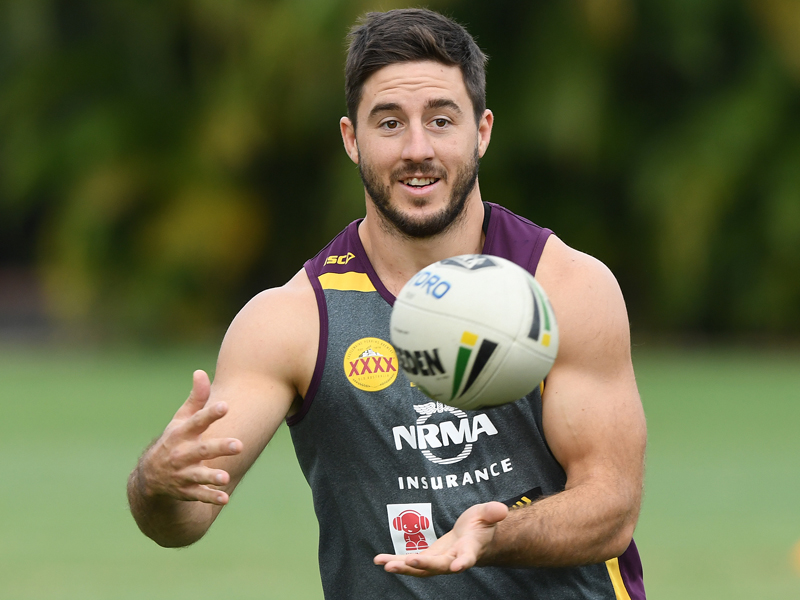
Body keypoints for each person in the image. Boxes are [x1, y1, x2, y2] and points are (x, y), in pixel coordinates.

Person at [127, 8, 647, 599]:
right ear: (352, 139)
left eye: (442, 120)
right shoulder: (295, 321)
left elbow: (611, 508)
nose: (417, 149)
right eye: (390, 123)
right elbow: (183, 520)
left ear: (482, 131)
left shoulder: (566, 286)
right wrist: (156, 483)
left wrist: (493, 537)